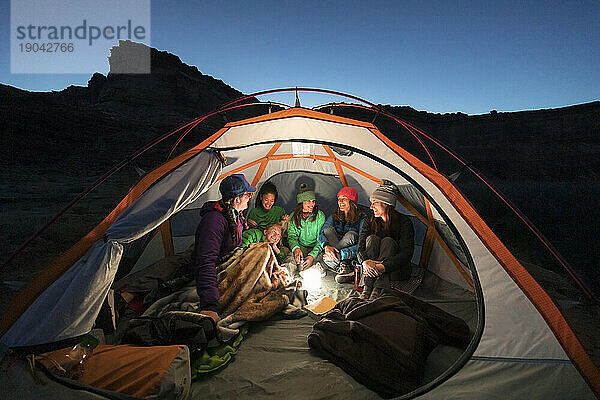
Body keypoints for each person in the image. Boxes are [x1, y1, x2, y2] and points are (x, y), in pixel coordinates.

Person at [191, 173, 256, 322]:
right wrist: (210, 305)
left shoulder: (236, 215)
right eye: (247, 195)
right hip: (218, 267)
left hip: (228, 260)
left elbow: (235, 246)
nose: (249, 198)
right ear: (236, 199)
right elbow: (206, 261)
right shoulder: (214, 221)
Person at [357, 180, 414, 300]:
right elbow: (361, 246)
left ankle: (378, 289)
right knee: (371, 239)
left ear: (387, 203)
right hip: (371, 267)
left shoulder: (404, 222)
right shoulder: (370, 220)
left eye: (375, 202)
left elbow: (406, 254)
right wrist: (365, 261)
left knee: (388, 241)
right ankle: (367, 288)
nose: (371, 207)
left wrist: (383, 266)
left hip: (394, 269)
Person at [319, 186, 366, 283]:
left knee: (351, 235)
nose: (340, 202)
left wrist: (341, 254)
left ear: (352, 201)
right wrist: (326, 246)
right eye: (339, 199)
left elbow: (362, 244)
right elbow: (322, 232)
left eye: (344, 199)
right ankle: (344, 269)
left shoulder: (362, 217)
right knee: (328, 230)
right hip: (336, 254)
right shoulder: (335, 215)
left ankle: (342, 266)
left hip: (351, 255)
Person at [285, 184, 326, 277]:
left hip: (316, 247)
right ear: (301, 202)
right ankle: (284, 274)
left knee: (322, 257)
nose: (312, 205)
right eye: (308, 201)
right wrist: (296, 248)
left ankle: (313, 270)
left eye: (313, 201)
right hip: (301, 246)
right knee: (292, 258)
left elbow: (321, 238)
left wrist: (312, 256)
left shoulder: (319, 216)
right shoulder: (293, 217)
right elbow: (292, 236)